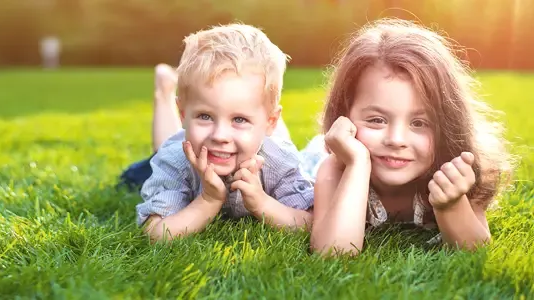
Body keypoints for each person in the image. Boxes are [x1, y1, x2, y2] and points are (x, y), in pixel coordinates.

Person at [307, 18, 515, 256]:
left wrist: (451, 204)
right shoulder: (335, 171)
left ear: (447, 126)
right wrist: (357, 164)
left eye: (419, 123)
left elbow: (475, 252)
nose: (396, 140)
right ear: (343, 115)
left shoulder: (460, 171)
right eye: (377, 120)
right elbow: (333, 254)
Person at [129, 23, 315, 242]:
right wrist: (208, 200)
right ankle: (164, 91)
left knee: (277, 144)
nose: (220, 135)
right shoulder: (173, 161)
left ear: (270, 121)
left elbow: (310, 222)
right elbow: (156, 234)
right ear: (183, 114)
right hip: (184, 147)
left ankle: (258, 115)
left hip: (267, 145)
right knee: (164, 146)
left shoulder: (279, 161)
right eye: (205, 116)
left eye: (239, 119)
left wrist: (263, 202)